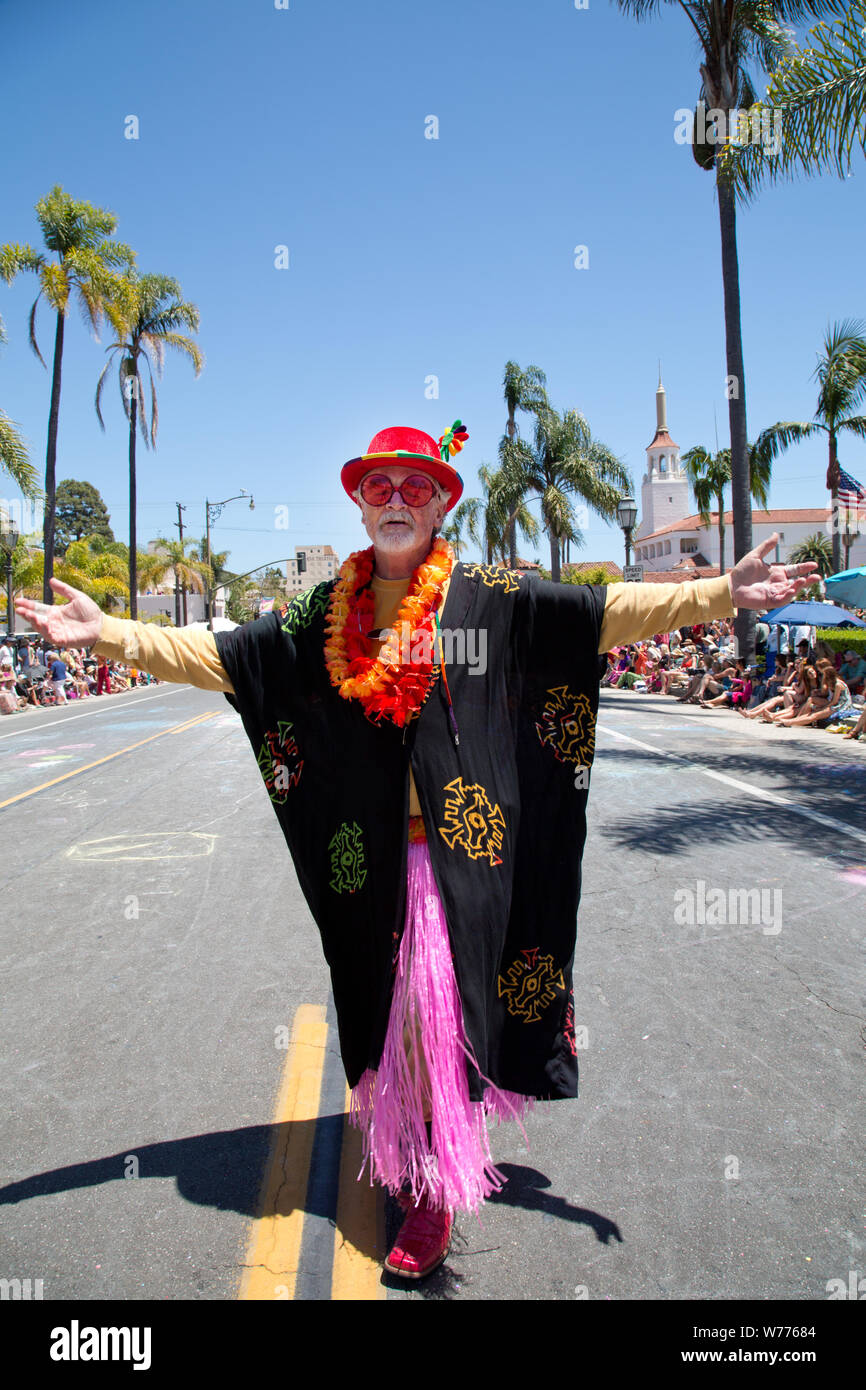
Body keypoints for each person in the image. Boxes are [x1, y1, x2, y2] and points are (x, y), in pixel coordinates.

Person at [14, 422, 818, 1282]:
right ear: (359, 504)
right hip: (369, 864)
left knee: (436, 1024)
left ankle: (435, 1189)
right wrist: (106, 637)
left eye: (415, 487)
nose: (396, 500)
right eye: (379, 487)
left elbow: (601, 612)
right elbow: (216, 655)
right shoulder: (320, 614)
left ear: (442, 503)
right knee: (387, 1025)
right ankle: (418, 1141)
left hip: (457, 860)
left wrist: (718, 594)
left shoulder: (489, 596)